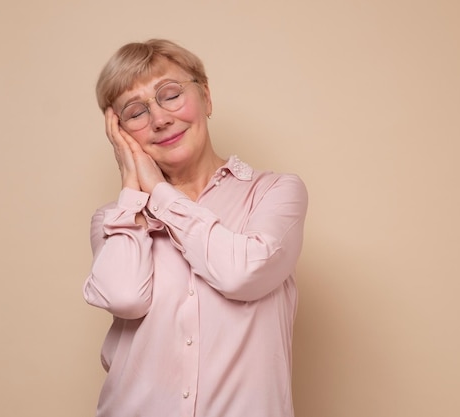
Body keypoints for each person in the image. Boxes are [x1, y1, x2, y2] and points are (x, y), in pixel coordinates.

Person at [83, 38, 308, 417]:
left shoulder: (274, 192)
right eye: (135, 113)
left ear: (205, 96)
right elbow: (124, 297)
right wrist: (134, 191)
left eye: (170, 95)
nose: (159, 119)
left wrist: (160, 191)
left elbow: (242, 274)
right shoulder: (115, 218)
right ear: (120, 135)